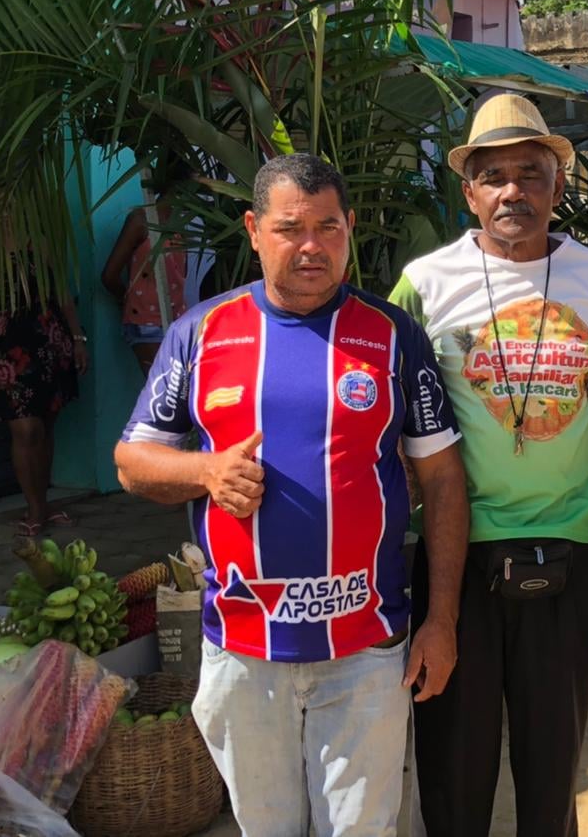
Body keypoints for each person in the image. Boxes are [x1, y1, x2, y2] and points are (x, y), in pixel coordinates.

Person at [114, 154, 470, 837]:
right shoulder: (201, 333)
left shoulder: (393, 335)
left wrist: (442, 620)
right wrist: (207, 471)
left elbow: (445, 479)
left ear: (349, 228)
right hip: (243, 651)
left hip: (365, 650)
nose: (311, 246)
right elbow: (132, 461)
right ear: (254, 231)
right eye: (289, 228)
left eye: (328, 227)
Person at [389, 93, 588, 837]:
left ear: (558, 186)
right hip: (453, 556)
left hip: (567, 548)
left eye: (531, 173)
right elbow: (396, 417)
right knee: (453, 765)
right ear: (469, 192)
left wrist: (553, 467)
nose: (512, 191)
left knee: (551, 767)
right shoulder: (424, 283)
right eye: (493, 176)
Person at [0, 256, 89, 535]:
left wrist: (77, 338)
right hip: (6, 351)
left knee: (45, 427)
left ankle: (42, 505)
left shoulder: (42, 240)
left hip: (49, 343)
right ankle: (35, 508)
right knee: (26, 429)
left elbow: (63, 295)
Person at [100, 163, 191, 373]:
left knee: (180, 387)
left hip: (177, 319)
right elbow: (109, 276)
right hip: (146, 323)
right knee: (166, 387)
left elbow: (180, 275)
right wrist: (131, 301)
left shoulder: (180, 226)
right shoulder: (141, 221)